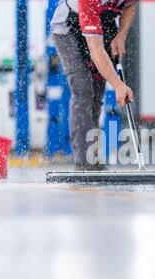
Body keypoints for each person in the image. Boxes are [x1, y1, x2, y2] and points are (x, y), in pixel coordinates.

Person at [51, 0, 138, 170]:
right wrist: (119, 86)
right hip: (68, 30)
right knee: (83, 90)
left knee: (97, 94)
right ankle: (84, 162)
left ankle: (94, 158)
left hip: (102, 26)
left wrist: (121, 35)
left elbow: (130, 6)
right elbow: (96, 49)